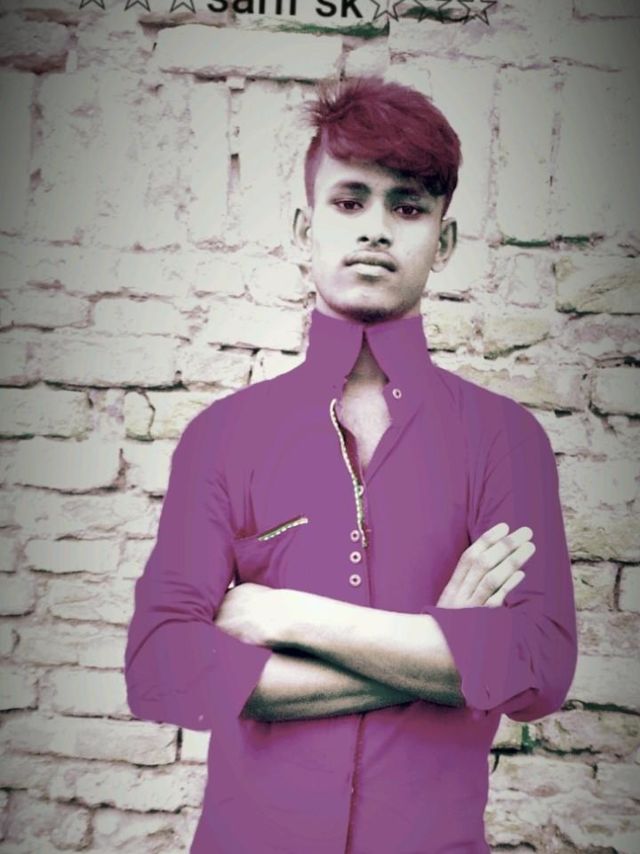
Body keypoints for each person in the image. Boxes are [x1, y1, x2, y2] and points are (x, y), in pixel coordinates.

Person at [124, 76, 577, 853]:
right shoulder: (221, 436)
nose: (375, 230)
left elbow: (539, 668)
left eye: (407, 207)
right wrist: (445, 648)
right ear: (306, 228)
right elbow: (161, 666)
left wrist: (283, 618)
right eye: (349, 201)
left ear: (445, 241)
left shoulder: (507, 439)